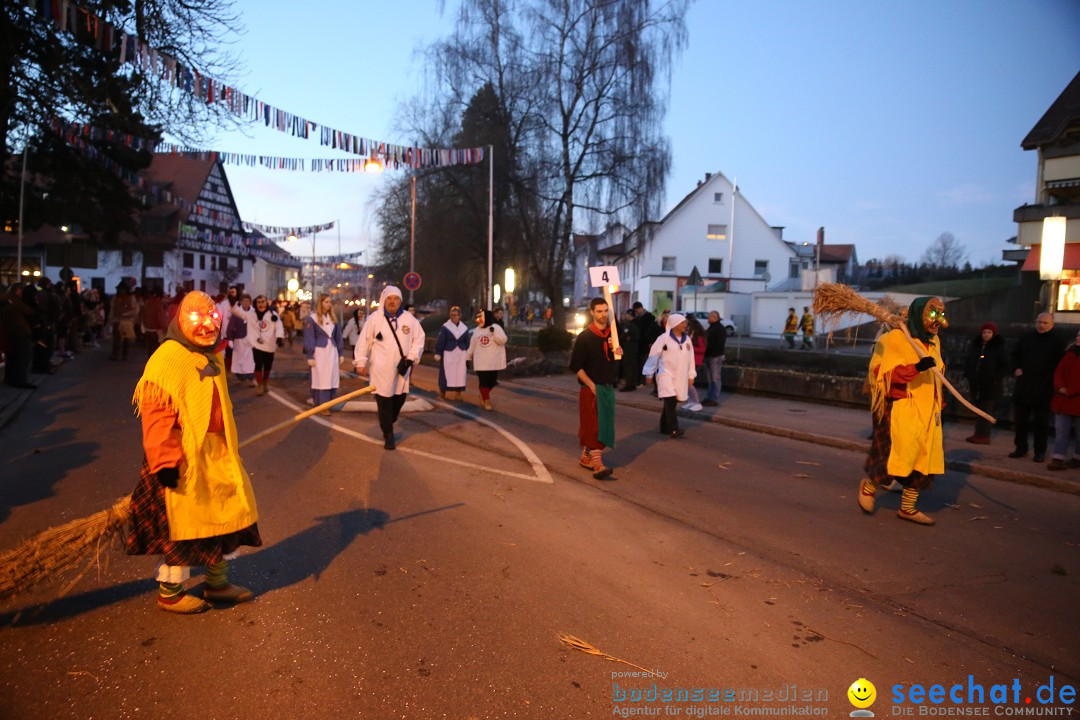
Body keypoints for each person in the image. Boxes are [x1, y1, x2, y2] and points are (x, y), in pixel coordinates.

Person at [127, 290, 261, 614]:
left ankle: (217, 583)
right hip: (182, 458)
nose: (205, 326)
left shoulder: (211, 356)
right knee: (184, 526)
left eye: (211, 318)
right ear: (180, 321)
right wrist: (164, 461)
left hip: (217, 456)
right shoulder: (167, 358)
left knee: (226, 517)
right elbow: (156, 415)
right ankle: (170, 592)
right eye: (197, 319)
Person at [858, 297, 948, 526]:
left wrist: (939, 401)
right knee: (897, 456)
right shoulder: (892, 340)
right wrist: (916, 368)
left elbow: (938, 375)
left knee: (922, 460)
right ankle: (869, 487)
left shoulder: (934, 342)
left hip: (928, 411)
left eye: (941, 315)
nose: (940, 322)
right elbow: (881, 375)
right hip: (900, 408)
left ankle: (908, 508)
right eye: (933, 314)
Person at [354, 286, 425, 449]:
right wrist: (360, 362)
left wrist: (411, 357)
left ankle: (388, 420)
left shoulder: (409, 319)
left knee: (399, 400)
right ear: (384, 300)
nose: (393, 302)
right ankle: (388, 433)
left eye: (396, 299)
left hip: (401, 369)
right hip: (380, 370)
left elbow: (419, 339)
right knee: (384, 401)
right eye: (389, 299)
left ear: (400, 301)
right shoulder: (374, 319)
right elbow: (363, 341)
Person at [569, 297, 623, 478]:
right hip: (591, 388)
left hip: (607, 388)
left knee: (605, 425)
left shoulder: (612, 334)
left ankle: (586, 456)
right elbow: (576, 366)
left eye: (605, 311)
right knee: (593, 426)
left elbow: (612, 361)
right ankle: (598, 465)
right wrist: (591, 385)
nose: (603, 315)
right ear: (592, 312)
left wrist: (618, 354)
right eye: (599, 311)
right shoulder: (585, 337)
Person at [1010, 312, 1066, 463]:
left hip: (1044, 389)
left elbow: (1061, 365)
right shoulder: (1026, 337)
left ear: (1052, 324)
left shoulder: (1058, 341)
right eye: (1039, 322)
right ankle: (1020, 448)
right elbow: (1014, 356)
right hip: (1024, 386)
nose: (1041, 325)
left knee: (1041, 424)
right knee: (1020, 421)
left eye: (1045, 323)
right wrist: (1016, 368)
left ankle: (1039, 451)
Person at [644, 312, 696, 438]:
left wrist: (691, 375)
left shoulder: (687, 340)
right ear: (675, 324)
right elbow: (653, 355)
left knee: (671, 402)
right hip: (665, 374)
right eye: (682, 323)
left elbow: (691, 359)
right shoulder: (663, 338)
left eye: (685, 322)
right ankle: (673, 428)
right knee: (671, 400)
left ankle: (663, 426)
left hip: (680, 376)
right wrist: (649, 373)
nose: (685, 325)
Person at [963, 321, 1009, 444]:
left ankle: (983, 435)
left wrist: (995, 378)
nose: (986, 335)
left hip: (990, 386)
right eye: (984, 332)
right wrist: (968, 374)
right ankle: (978, 433)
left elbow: (1005, 365)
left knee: (986, 411)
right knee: (980, 410)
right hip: (977, 385)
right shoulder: (976, 346)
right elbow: (969, 361)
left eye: (989, 332)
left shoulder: (998, 348)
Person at [303, 294, 344, 416]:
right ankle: (321, 404)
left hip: (332, 352)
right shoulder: (312, 318)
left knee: (331, 378)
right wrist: (310, 355)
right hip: (319, 353)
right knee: (320, 379)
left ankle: (328, 403)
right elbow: (309, 338)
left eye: (330, 302)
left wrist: (341, 352)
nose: (329, 304)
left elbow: (338, 336)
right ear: (320, 303)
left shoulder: (333, 319)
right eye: (326, 302)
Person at [1048, 328, 1080, 471]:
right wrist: (1060, 387)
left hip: (1076, 399)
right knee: (1061, 429)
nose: (1078, 338)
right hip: (1063, 399)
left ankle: (1077, 457)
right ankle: (1058, 457)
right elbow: (1059, 371)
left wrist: (1071, 391)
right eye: (1078, 335)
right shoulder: (1070, 353)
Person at [468, 309, 508, 410]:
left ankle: (483, 394)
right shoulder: (477, 330)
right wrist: (467, 357)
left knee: (492, 381)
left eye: (481, 318)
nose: (479, 320)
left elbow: (503, 340)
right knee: (484, 381)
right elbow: (472, 346)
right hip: (481, 362)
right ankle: (486, 401)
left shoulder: (496, 328)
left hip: (493, 362)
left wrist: (493, 333)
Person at [248, 295, 284, 396]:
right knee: (258, 364)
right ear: (256, 303)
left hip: (269, 344)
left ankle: (265, 382)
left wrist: (279, 337)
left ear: (266, 302)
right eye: (258, 302)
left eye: (263, 302)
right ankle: (259, 385)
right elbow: (250, 327)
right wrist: (256, 339)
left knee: (268, 365)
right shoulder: (252, 315)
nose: (261, 304)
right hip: (257, 344)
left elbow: (279, 326)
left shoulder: (273, 314)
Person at [434, 305, 470, 400]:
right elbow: (441, 340)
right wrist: (438, 352)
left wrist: (467, 352)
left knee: (460, 373)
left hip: (460, 354)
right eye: (451, 315)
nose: (453, 317)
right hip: (448, 353)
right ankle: (443, 391)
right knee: (446, 372)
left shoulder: (464, 328)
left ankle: (458, 393)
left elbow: (467, 341)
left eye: (455, 315)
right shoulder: (446, 327)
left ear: (459, 316)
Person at [229, 294, 257, 387]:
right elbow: (231, 326)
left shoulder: (254, 313)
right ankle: (241, 377)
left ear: (250, 302)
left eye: (247, 301)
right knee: (239, 361)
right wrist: (230, 339)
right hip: (239, 340)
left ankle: (251, 378)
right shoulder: (237, 313)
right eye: (244, 301)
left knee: (250, 360)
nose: (246, 303)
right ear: (241, 302)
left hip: (250, 341)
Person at [631, 302, 659, 388]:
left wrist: (650, 341)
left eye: (637, 310)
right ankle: (640, 380)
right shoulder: (637, 318)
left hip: (646, 344)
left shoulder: (649, 317)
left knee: (644, 362)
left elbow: (652, 331)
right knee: (639, 362)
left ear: (640, 308)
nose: (637, 312)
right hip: (639, 343)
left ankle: (643, 381)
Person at [703, 310, 727, 406]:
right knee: (711, 378)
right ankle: (709, 397)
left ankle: (713, 398)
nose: (708, 318)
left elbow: (718, 344)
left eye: (709, 317)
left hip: (715, 356)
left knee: (715, 378)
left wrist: (712, 353)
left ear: (714, 318)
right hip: (711, 355)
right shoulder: (713, 328)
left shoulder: (718, 329)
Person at [110, 281, 139, 361]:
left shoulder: (131, 298)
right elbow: (112, 310)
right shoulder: (115, 298)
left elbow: (135, 310)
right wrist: (111, 320)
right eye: (120, 289)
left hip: (127, 322)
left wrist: (126, 315)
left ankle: (124, 355)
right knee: (116, 339)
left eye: (123, 289)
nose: (121, 291)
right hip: (117, 321)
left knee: (127, 339)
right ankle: (115, 354)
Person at [682, 315, 706, 412]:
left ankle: (696, 402)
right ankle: (692, 401)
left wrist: (690, 348)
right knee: (687, 383)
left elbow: (702, 349)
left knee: (689, 383)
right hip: (691, 361)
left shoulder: (699, 338)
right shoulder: (692, 337)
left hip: (696, 361)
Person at [141, 287, 168, 358]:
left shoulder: (147, 303)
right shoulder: (158, 304)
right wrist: (166, 329)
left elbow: (143, 316)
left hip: (148, 329)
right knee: (156, 350)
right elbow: (161, 318)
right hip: (157, 331)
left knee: (150, 349)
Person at [618, 309, 640, 392]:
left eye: (627, 314)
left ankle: (629, 384)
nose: (626, 316)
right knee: (633, 366)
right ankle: (633, 383)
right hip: (633, 348)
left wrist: (625, 338)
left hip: (629, 348)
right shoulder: (636, 324)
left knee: (628, 366)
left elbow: (624, 336)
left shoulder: (628, 325)